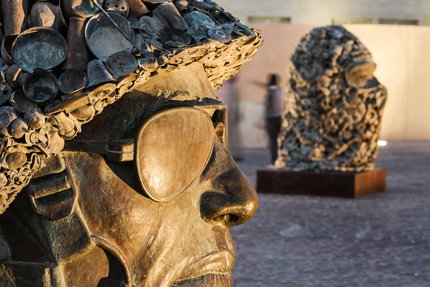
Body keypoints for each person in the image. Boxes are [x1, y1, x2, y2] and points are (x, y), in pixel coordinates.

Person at [265, 74, 284, 164]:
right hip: (279, 117)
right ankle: (280, 157)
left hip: (271, 118)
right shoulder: (279, 91)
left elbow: (269, 107)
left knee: (273, 141)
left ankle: (274, 159)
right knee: (279, 140)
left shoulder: (270, 92)